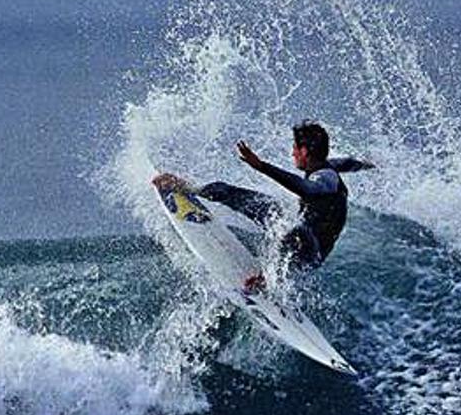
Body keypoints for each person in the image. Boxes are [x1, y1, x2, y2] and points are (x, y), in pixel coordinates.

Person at [152, 120, 374, 289]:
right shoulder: (328, 166)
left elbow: (308, 189)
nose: (292, 153)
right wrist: (365, 164)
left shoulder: (326, 178)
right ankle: (190, 189)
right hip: (300, 241)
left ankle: (267, 281)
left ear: (305, 151)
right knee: (240, 196)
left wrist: (261, 166)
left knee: (293, 230)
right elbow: (348, 163)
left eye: (295, 148)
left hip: (309, 251)